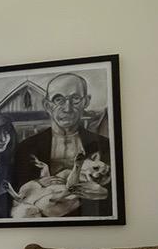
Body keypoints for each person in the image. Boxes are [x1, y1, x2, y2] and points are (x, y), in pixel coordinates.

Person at [12, 73, 114, 217]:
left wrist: (106, 194)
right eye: (58, 99)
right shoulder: (26, 148)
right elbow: (17, 197)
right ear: (47, 105)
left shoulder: (105, 146)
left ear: (86, 101)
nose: (67, 108)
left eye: (76, 99)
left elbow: (120, 194)